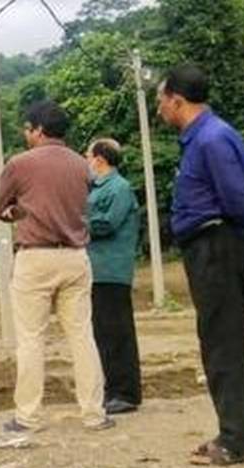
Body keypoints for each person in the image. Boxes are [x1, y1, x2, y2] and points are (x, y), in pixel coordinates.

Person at [157, 63, 244, 465]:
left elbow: (238, 199)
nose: (159, 108)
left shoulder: (212, 140)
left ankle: (238, 440)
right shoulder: (213, 136)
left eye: (161, 100)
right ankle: (241, 431)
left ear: (177, 101)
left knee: (223, 342)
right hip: (216, 244)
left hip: (216, 245)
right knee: (222, 339)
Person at [0, 100, 111, 433]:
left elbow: (0, 208)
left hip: (36, 256)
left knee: (31, 339)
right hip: (75, 256)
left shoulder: (19, 164)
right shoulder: (82, 165)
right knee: (82, 336)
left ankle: (28, 416)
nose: (25, 134)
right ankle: (94, 414)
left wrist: (19, 212)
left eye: (27, 129)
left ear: (38, 130)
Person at [85, 138, 143, 414]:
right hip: (96, 271)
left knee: (117, 332)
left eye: (88, 156)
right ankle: (112, 389)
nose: (86, 162)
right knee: (103, 333)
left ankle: (126, 393)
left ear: (99, 158)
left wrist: (76, 222)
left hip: (111, 270)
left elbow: (107, 223)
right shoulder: (96, 188)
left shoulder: (119, 188)